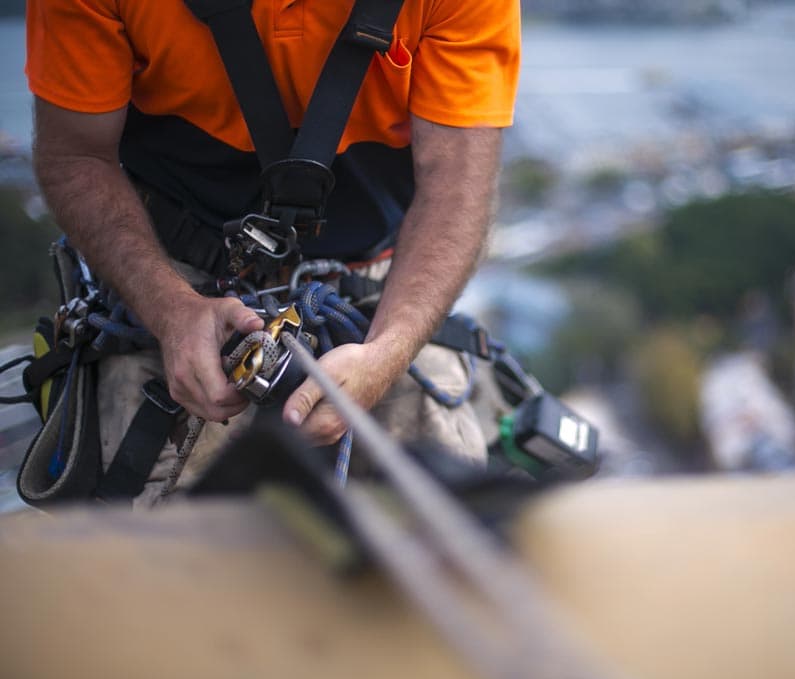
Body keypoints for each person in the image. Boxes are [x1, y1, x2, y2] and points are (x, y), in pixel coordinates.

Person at [25, 0, 521, 505]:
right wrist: (169, 310)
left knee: (453, 514)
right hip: (172, 276)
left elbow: (456, 192)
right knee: (149, 532)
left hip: (384, 293)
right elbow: (76, 155)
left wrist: (388, 353)